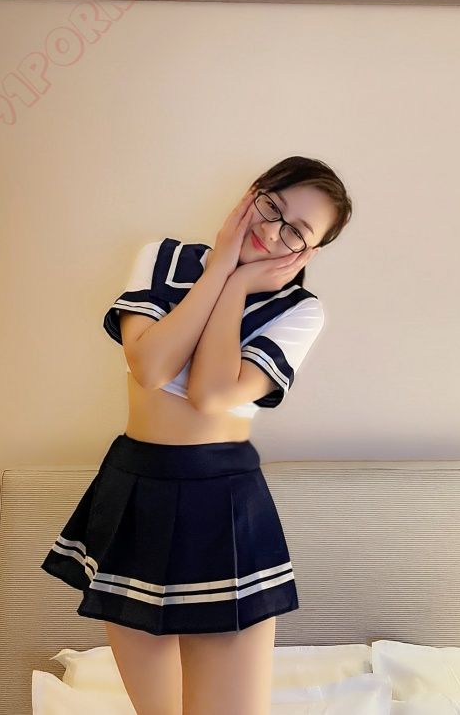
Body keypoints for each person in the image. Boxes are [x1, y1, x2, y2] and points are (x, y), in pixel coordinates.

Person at [40, 155, 353, 715]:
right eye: (272, 206)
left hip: (223, 503)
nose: (272, 231)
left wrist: (240, 284)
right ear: (253, 192)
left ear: (309, 253)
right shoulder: (161, 258)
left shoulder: (300, 311)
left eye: (296, 232)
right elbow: (150, 367)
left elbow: (210, 394)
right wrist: (219, 269)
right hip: (137, 489)